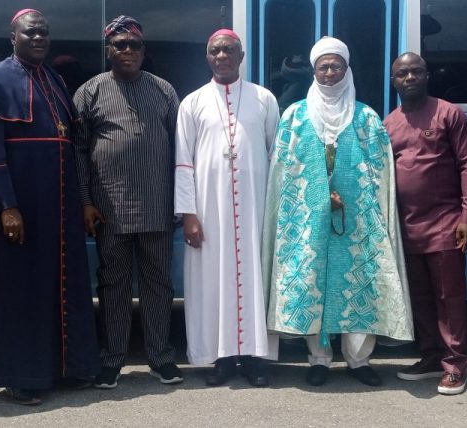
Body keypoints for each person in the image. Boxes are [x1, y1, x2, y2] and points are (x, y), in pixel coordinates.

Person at [263, 37, 413, 387]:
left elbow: (379, 172)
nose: (330, 72)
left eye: (336, 66)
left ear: (347, 70)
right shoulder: (294, 116)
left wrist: (350, 193)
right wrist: (319, 195)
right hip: (307, 221)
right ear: (314, 71)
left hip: (357, 221)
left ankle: (359, 361)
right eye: (323, 66)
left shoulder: (366, 117)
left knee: (359, 282)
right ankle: (318, 359)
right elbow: (285, 171)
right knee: (311, 281)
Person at [0, 9, 100, 405]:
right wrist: (7, 206)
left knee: (62, 285)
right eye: (31, 33)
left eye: (44, 32)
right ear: (14, 37)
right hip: (23, 204)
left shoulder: (55, 80)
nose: (39, 38)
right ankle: (20, 377)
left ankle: (66, 368)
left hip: (59, 205)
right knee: (22, 290)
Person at [73, 15, 182, 388]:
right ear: (109, 50)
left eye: (134, 45)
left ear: (143, 50)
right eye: (120, 45)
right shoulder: (90, 92)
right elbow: (78, 151)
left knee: (158, 283)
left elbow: (181, 152)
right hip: (109, 208)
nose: (128, 51)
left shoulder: (163, 90)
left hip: (157, 205)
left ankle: (160, 357)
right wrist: (86, 201)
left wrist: (180, 201)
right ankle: (112, 360)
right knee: (113, 284)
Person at [175, 29, 280, 387]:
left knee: (254, 279)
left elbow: (276, 155)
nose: (222, 56)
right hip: (208, 210)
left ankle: (253, 358)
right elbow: (183, 162)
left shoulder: (264, 99)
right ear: (207, 57)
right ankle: (219, 358)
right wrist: (188, 214)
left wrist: (275, 211)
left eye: (229, 50)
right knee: (212, 282)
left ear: (241, 56)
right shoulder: (192, 103)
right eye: (215, 50)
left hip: (254, 207)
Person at [384, 52, 467, 395]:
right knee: (421, 297)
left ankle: (455, 364)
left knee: (448, 297)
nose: (409, 78)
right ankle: (430, 356)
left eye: (416, 72)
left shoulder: (448, 113)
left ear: (427, 76)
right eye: (402, 74)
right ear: (393, 81)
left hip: (445, 222)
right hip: (407, 226)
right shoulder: (389, 123)